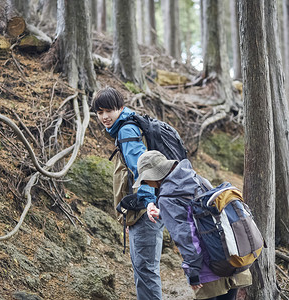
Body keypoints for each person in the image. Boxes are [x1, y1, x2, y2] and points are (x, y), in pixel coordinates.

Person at [133, 150, 252, 300]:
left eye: (145, 180)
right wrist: (164, 213)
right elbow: (199, 213)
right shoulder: (195, 177)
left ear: (155, 176)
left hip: (208, 267)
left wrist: (193, 271)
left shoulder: (167, 198)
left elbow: (185, 236)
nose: (146, 183)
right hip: (228, 255)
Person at [92, 87, 164, 300]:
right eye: (99, 112)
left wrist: (148, 202)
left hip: (144, 211)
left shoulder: (126, 130)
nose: (104, 117)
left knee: (146, 272)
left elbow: (144, 168)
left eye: (109, 111)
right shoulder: (127, 126)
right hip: (143, 210)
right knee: (144, 270)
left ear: (120, 108)